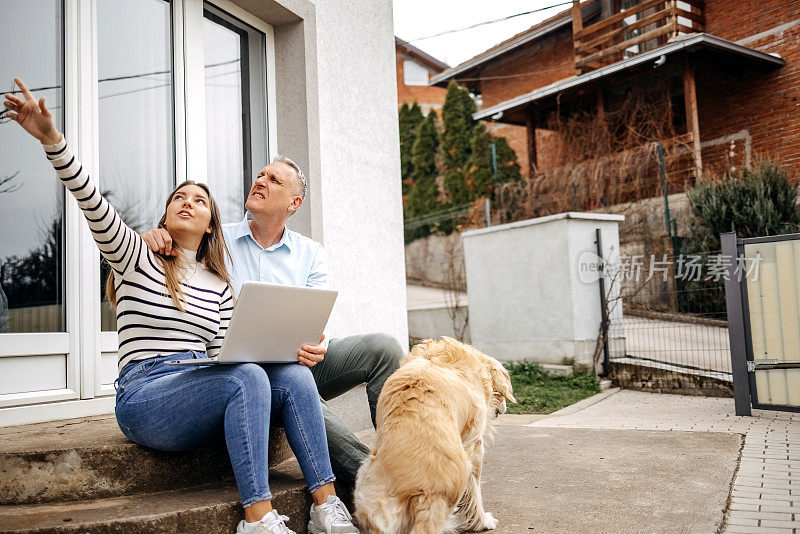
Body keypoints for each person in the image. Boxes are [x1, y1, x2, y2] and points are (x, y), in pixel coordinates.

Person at [3, 78, 357, 534]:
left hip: (199, 385)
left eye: (199, 200)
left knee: (290, 374)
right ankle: (258, 518)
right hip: (146, 394)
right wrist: (52, 139)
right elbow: (90, 198)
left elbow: (230, 351)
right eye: (178, 198)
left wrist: (298, 349)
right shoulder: (133, 253)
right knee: (247, 376)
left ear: (213, 223)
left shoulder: (219, 283)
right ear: (166, 213)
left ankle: (326, 507)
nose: (188, 203)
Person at [142, 139, 405, 493]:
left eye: (274, 180)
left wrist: (316, 346)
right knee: (298, 386)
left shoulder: (310, 253)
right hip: (240, 373)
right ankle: (383, 486)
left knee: (384, 347)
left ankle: (401, 456)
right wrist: (153, 236)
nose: (261, 180)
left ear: (294, 203)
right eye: (261, 175)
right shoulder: (216, 241)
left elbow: (314, 322)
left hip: (296, 361)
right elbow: (176, 252)